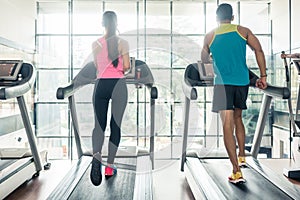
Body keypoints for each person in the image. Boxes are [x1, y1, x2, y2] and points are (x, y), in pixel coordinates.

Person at [201, 3, 267, 184]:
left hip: (222, 85)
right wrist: (263, 76)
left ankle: (236, 171)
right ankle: (242, 156)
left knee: (227, 125)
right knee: (238, 119)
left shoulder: (210, 36)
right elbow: (259, 50)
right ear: (233, 16)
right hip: (241, 82)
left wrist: (214, 56)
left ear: (216, 18)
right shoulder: (243, 31)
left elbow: (204, 60)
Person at [90, 10, 130, 186]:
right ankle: (109, 166)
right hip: (118, 86)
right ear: (116, 23)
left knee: (99, 126)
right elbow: (127, 67)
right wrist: (121, 68)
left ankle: (96, 157)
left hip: (100, 86)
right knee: (116, 125)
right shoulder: (123, 43)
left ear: (102, 24)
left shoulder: (95, 44)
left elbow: (96, 66)